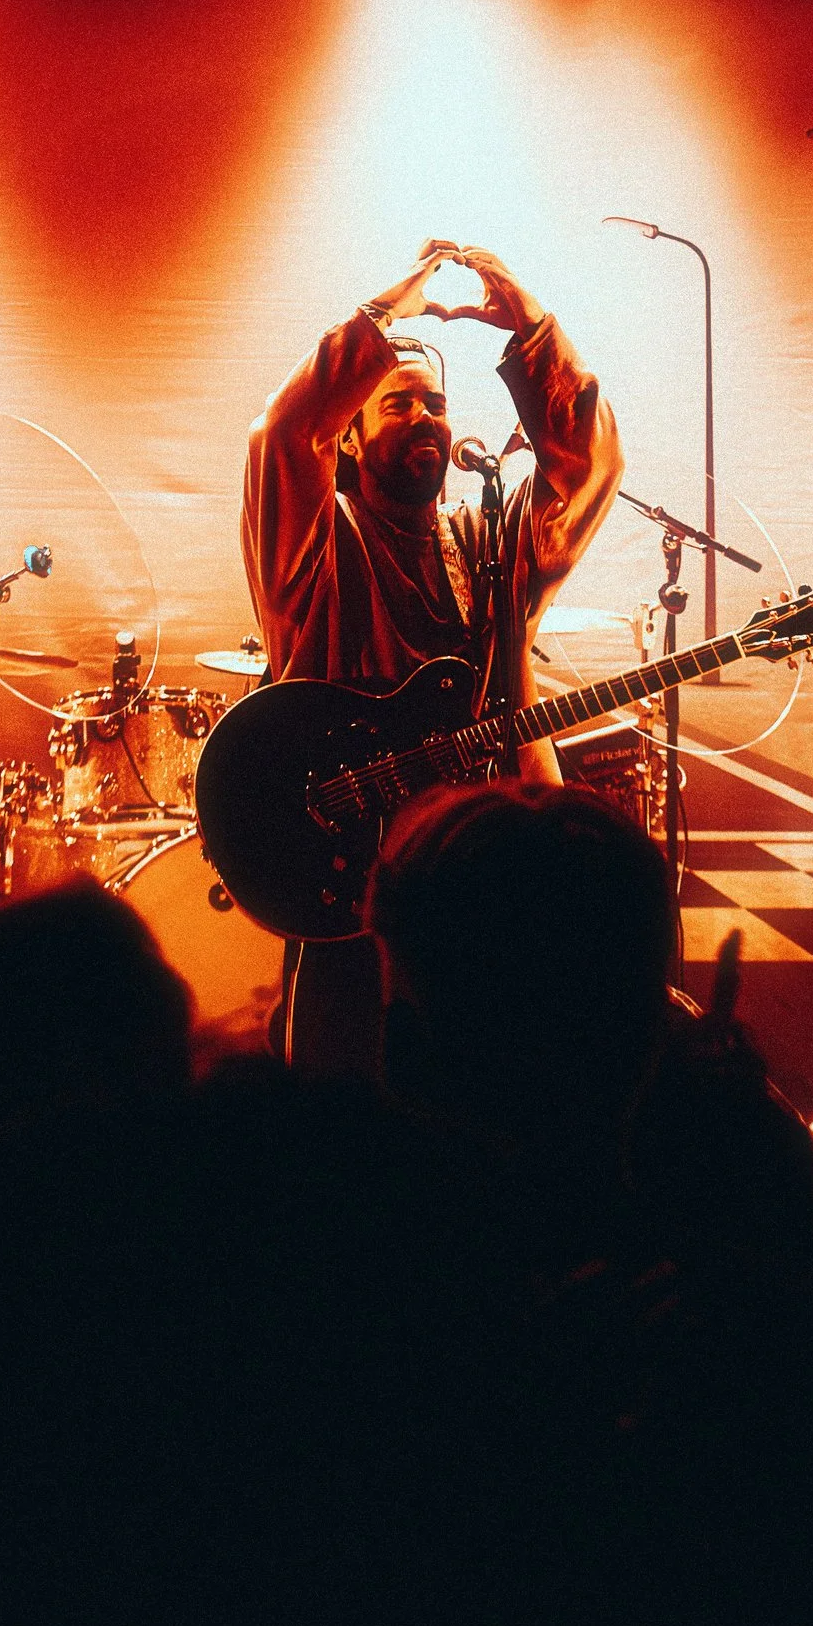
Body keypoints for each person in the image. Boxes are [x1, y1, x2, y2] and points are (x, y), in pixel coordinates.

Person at [242, 243, 621, 1069]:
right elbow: (283, 435)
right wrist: (378, 320)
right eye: (398, 405)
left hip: (490, 879)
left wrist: (533, 329)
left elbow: (586, 469)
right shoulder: (317, 547)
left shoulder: (488, 542)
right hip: (356, 891)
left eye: (437, 404)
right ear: (348, 441)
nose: (426, 419)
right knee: (350, 1099)